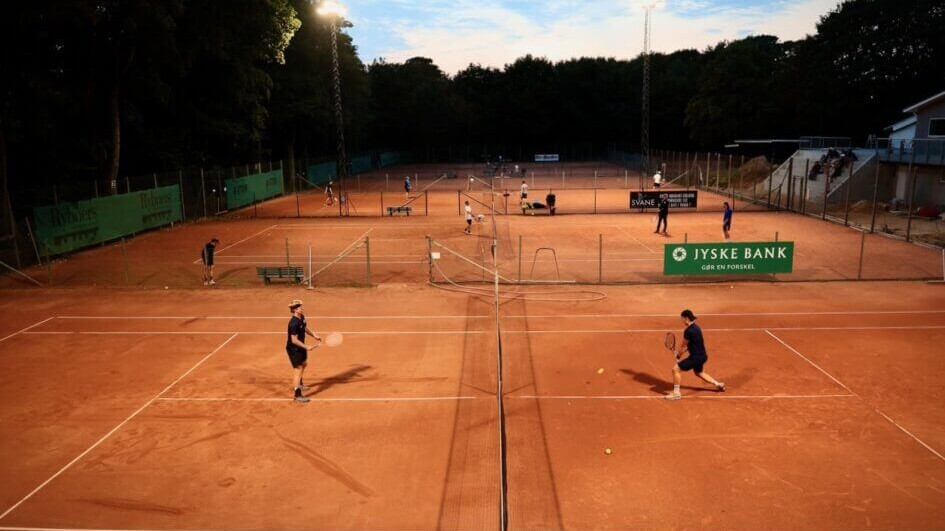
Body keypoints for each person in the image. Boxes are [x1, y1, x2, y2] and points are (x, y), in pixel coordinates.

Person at [665, 309, 725, 401]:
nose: (682, 321)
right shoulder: (697, 328)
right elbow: (691, 345)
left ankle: (676, 393)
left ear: (686, 318)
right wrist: (681, 353)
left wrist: (678, 355)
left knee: (675, 369)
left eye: (682, 319)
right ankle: (717, 384)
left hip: (695, 358)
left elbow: (682, 346)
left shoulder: (688, 331)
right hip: (703, 356)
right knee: (699, 372)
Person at [286, 299, 321, 403]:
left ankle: (299, 383)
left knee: (304, 364)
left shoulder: (302, 317)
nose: (302, 308)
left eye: (301, 306)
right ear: (295, 310)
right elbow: (294, 340)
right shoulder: (293, 323)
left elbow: (305, 328)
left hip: (301, 347)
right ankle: (297, 395)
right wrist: (306, 347)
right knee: (299, 368)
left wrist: (314, 335)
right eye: (300, 307)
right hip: (294, 349)